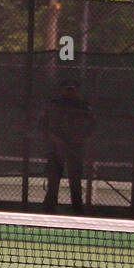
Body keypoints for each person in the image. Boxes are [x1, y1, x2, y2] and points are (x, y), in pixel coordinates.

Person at [39, 77, 95, 215]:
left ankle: (77, 212)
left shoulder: (83, 106)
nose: (70, 92)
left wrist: (79, 140)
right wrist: (55, 139)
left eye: (73, 89)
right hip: (55, 149)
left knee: (75, 182)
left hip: (75, 149)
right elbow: (43, 125)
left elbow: (91, 127)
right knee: (53, 182)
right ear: (62, 90)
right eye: (67, 89)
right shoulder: (54, 105)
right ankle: (49, 211)